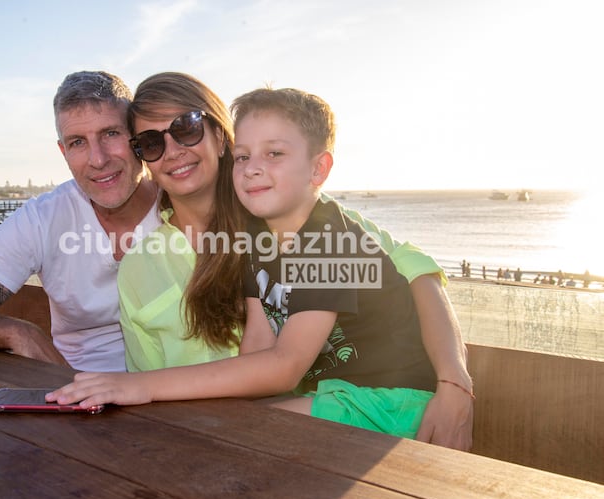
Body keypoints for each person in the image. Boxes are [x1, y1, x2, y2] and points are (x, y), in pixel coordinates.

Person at [49, 79, 473, 450]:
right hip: (319, 400)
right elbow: (259, 346)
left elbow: (414, 274)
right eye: (153, 142)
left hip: (380, 401)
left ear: (219, 137)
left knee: (251, 439)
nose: (173, 150)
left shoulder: (326, 234)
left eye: (187, 128)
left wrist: (455, 382)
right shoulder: (256, 237)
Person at [0, 71, 160, 371]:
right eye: (78, 142)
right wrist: (19, 332)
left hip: (181, 392)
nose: (98, 159)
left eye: (111, 133)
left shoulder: (180, 203)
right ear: (63, 152)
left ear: (137, 137)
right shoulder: (44, 218)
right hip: (78, 390)